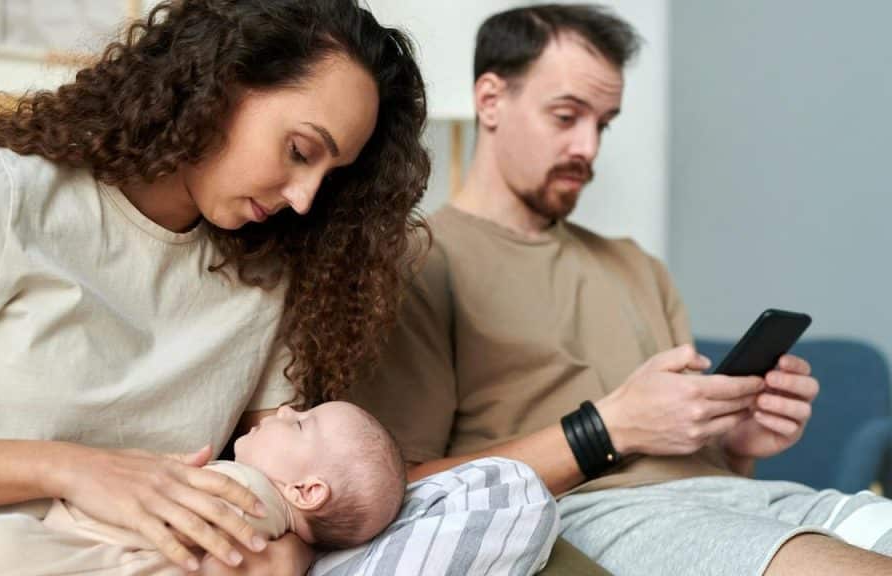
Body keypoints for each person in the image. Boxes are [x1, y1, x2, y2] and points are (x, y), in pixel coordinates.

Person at [0, 1, 431, 574]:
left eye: (329, 177)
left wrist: (279, 554)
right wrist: (69, 469)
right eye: (300, 151)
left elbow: (285, 501)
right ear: (222, 82)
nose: (305, 198)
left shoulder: (270, 276)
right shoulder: (5, 199)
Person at [350, 4, 892, 576]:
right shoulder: (421, 259)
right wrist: (607, 429)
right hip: (596, 510)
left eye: (603, 123)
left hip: (748, 504)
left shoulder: (637, 266)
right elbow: (401, 490)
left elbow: (714, 483)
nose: (588, 148)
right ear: (490, 100)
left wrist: (736, 445)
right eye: (566, 116)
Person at [0, 402, 407, 575]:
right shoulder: (267, 528)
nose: (286, 410)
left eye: (300, 424)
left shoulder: (242, 492)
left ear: (307, 492)